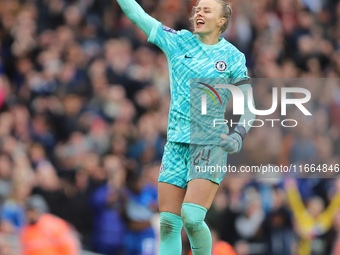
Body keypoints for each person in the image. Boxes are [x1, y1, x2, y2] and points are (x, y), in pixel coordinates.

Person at [116, 0, 255, 254]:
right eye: (197, 9)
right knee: (168, 224)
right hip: (176, 144)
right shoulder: (178, 42)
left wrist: (238, 135)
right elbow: (136, 14)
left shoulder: (233, 57)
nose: (198, 12)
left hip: (209, 144)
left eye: (206, 9)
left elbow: (249, 106)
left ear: (221, 21)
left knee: (192, 218)